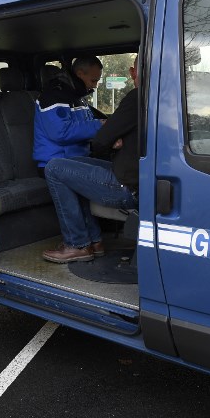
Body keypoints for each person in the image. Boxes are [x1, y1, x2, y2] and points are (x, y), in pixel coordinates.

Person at [42, 56, 140, 263]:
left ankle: (76, 244)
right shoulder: (161, 98)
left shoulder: (138, 97)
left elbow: (101, 141)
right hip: (137, 177)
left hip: (127, 184)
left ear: (133, 73)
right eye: (94, 81)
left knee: (54, 168)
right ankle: (94, 242)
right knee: (75, 164)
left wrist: (109, 136)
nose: (95, 86)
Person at [33, 56, 105, 175]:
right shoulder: (53, 96)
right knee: (108, 184)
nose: (95, 86)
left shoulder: (77, 97)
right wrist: (99, 125)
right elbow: (61, 132)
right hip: (55, 164)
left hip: (77, 160)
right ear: (80, 74)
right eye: (93, 81)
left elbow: (85, 127)